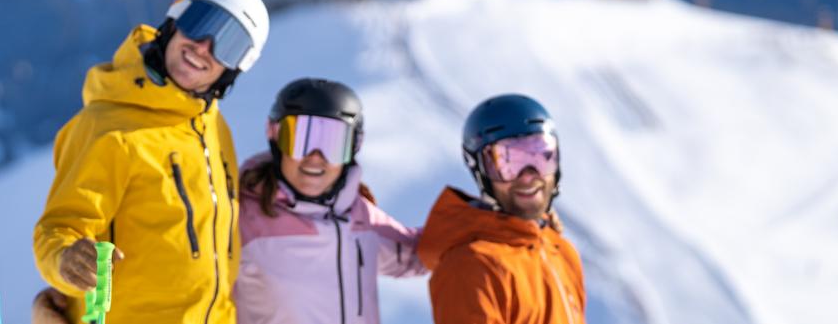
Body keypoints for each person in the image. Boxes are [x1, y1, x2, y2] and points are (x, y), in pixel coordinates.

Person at [32, 0, 270, 323]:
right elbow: (58, 229)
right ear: (174, 22)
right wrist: (67, 260)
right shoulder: (108, 127)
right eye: (199, 24)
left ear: (235, 68)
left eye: (227, 44)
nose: (203, 47)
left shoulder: (214, 128)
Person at [234, 78, 427, 324]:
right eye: (301, 140)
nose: (316, 158)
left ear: (354, 146)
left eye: (332, 143)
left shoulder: (360, 216)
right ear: (274, 135)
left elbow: (420, 252)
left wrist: (480, 218)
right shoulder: (240, 216)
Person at [418, 94, 584, 324]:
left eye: (539, 156)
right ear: (479, 170)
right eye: (507, 162)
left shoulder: (561, 252)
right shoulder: (472, 266)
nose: (527, 176)